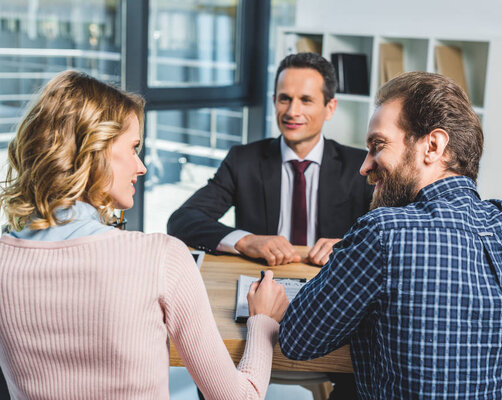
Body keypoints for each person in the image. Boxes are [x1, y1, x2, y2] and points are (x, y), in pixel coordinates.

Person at [0, 70, 289, 400]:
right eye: (134, 148)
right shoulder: (159, 257)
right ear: (95, 151)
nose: (142, 167)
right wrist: (263, 320)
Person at [279, 71, 502, 399]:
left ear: (432, 145)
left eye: (378, 146)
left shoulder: (384, 234)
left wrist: (268, 309)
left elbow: (298, 340)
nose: (365, 166)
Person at [167, 52, 373, 267]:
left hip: (332, 280)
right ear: (274, 101)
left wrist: (351, 244)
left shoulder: (360, 166)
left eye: (306, 100)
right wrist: (245, 240)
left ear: (329, 108)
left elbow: (395, 231)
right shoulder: (243, 161)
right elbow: (182, 220)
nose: (293, 112)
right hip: (262, 278)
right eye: (285, 99)